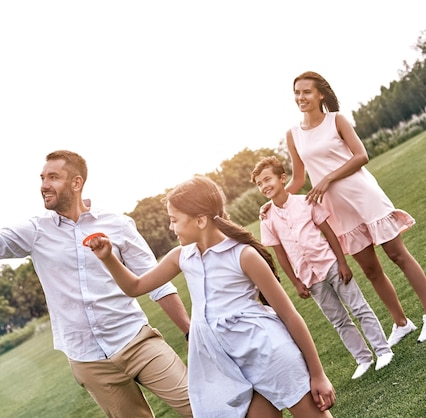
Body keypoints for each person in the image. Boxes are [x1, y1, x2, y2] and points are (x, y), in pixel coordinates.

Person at [0, 150, 193, 418]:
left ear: (76, 182)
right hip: (88, 360)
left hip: (137, 341)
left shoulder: (118, 224)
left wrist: (190, 332)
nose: (44, 185)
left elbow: (158, 283)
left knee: (202, 407)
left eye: (53, 177)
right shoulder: (35, 231)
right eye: (42, 178)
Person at [85, 175, 335, 417]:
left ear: (201, 220)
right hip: (226, 368)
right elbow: (136, 287)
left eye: (174, 220)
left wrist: (317, 374)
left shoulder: (243, 255)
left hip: (269, 354)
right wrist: (108, 258)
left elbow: (289, 315)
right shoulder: (182, 257)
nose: (171, 228)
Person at [279, 70, 426, 346]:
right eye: (297, 92)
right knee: (371, 270)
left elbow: (362, 156)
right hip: (338, 211)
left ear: (320, 93)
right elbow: (298, 179)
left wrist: (327, 178)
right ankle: (401, 323)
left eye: (306, 91)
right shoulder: (293, 134)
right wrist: (274, 202)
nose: (301, 97)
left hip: (364, 196)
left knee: (398, 255)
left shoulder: (337, 120)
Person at [252, 156, 394, 380]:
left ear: (282, 178)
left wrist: (342, 262)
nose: (264, 186)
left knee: (359, 308)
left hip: (330, 264)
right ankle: (363, 358)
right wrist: (297, 282)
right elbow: (280, 254)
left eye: (267, 179)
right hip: (309, 277)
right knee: (338, 320)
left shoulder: (306, 201)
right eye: (259, 183)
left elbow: (328, 232)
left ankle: (383, 350)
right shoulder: (267, 218)